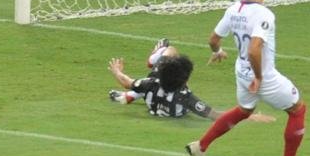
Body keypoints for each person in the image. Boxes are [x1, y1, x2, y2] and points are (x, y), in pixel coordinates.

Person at [185, 0, 310, 156]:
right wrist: (259, 77)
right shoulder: (264, 15)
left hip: (241, 73)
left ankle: (200, 146)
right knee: (298, 109)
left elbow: (213, 40)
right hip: (261, 77)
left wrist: (217, 52)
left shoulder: (233, 9)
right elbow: (254, 49)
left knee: (244, 110)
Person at [106, 38, 275, 123]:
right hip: (166, 103)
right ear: (185, 80)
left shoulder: (150, 83)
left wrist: (116, 71)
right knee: (172, 50)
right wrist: (250, 116)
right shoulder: (184, 96)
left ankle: (132, 94)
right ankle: (131, 95)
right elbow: (215, 115)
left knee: (168, 49)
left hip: (153, 98)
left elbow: (127, 81)